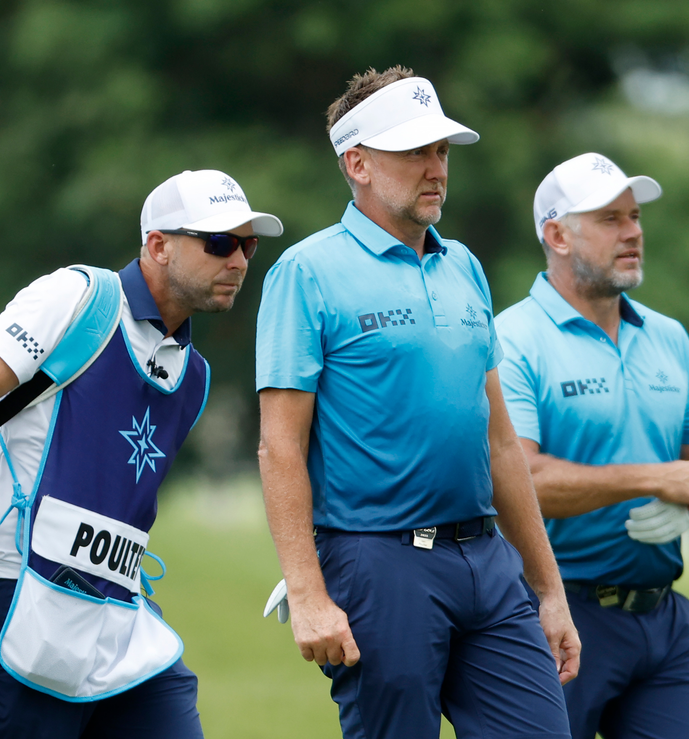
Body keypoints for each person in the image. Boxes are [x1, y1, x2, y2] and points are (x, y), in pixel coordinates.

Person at [0, 169, 281, 738]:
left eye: (247, 245)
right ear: (158, 245)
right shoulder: (79, 297)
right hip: (13, 600)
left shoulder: (193, 375)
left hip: (118, 618)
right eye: (219, 243)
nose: (239, 261)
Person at [255, 66, 577, 739]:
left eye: (442, 151)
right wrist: (309, 594)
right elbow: (280, 445)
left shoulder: (464, 266)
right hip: (378, 563)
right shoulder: (307, 272)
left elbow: (498, 440)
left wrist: (548, 587)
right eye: (416, 151)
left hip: (487, 559)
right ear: (358, 162)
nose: (437, 168)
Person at [495, 152, 689, 739]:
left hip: (664, 623)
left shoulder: (668, 337)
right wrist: (653, 478)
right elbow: (520, 481)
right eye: (609, 219)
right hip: (556, 616)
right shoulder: (513, 339)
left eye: (633, 216)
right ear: (556, 234)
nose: (633, 232)